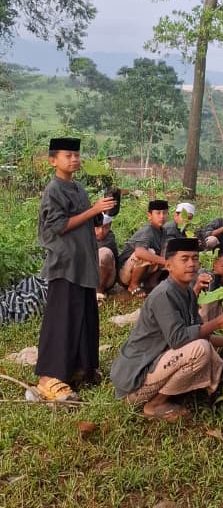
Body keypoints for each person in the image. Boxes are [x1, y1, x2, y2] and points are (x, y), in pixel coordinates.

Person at [109, 237, 223, 421]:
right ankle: (154, 405)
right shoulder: (164, 294)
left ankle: (181, 392)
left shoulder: (186, 292)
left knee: (206, 348)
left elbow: (196, 329)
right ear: (168, 265)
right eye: (184, 259)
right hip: (136, 379)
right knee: (201, 350)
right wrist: (216, 323)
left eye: (194, 258)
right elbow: (179, 339)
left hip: (156, 362)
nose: (191, 264)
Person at [33, 137, 116, 403]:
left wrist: (105, 211)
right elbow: (59, 226)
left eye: (76, 155)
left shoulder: (78, 187)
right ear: (53, 160)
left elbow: (90, 221)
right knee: (62, 321)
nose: (74, 159)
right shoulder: (54, 189)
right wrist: (93, 209)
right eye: (68, 155)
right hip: (65, 263)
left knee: (84, 317)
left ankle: (82, 369)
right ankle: (49, 375)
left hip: (83, 263)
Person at [117, 199, 170, 295]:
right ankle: (133, 285)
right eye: (158, 213)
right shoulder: (147, 230)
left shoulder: (163, 231)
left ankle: (150, 282)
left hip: (140, 270)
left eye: (165, 213)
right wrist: (165, 261)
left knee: (167, 253)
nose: (162, 216)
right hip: (124, 273)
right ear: (149, 216)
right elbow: (139, 252)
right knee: (149, 253)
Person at [95, 214, 119, 296]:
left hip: (106, 279)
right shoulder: (85, 235)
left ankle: (99, 291)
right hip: (88, 276)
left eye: (105, 227)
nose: (101, 231)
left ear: (110, 226)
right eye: (97, 227)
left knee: (104, 253)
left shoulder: (109, 238)